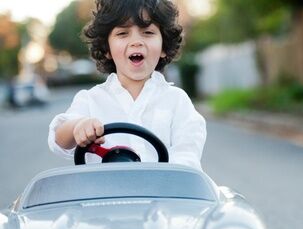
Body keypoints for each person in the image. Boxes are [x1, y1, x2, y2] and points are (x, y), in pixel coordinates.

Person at [48, 0, 206, 171]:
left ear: (163, 47)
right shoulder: (90, 100)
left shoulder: (177, 101)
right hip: (106, 195)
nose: (136, 41)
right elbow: (59, 139)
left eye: (147, 32)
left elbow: (187, 156)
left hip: (163, 194)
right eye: (123, 33)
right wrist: (78, 127)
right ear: (107, 48)